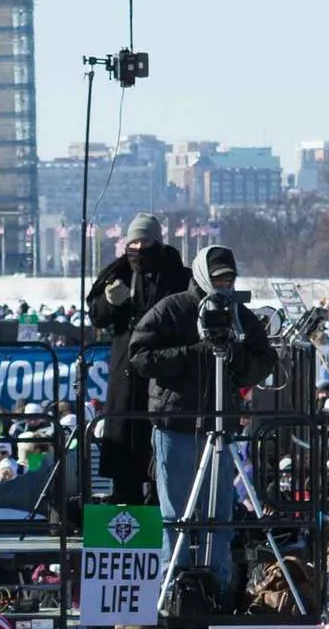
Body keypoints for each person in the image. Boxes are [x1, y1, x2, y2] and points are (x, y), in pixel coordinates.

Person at [125, 245, 277, 589]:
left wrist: (234, 356)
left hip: (220, 428)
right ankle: (175, 585)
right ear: (203, 275)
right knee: (174, 515)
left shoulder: (240, 315)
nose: (224, 286)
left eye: (230, 280)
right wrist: (194, 354)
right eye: (219, 279)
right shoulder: (173, 308)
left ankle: (216, 586)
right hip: (175, 427)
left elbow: (263, 361)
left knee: (220, 514)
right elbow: (140, 355)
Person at [87, 216, 192, 506]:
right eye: (132, 243)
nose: (138, 248)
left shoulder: (177, 276)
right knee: (124, 442)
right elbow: (98, 315)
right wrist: (111, 302)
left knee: (162, 447)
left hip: (163, 373)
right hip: (126, 372)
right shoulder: (118, 273)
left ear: (156, 242)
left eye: (144, 242)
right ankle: (126, 499)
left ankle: (162, 506)